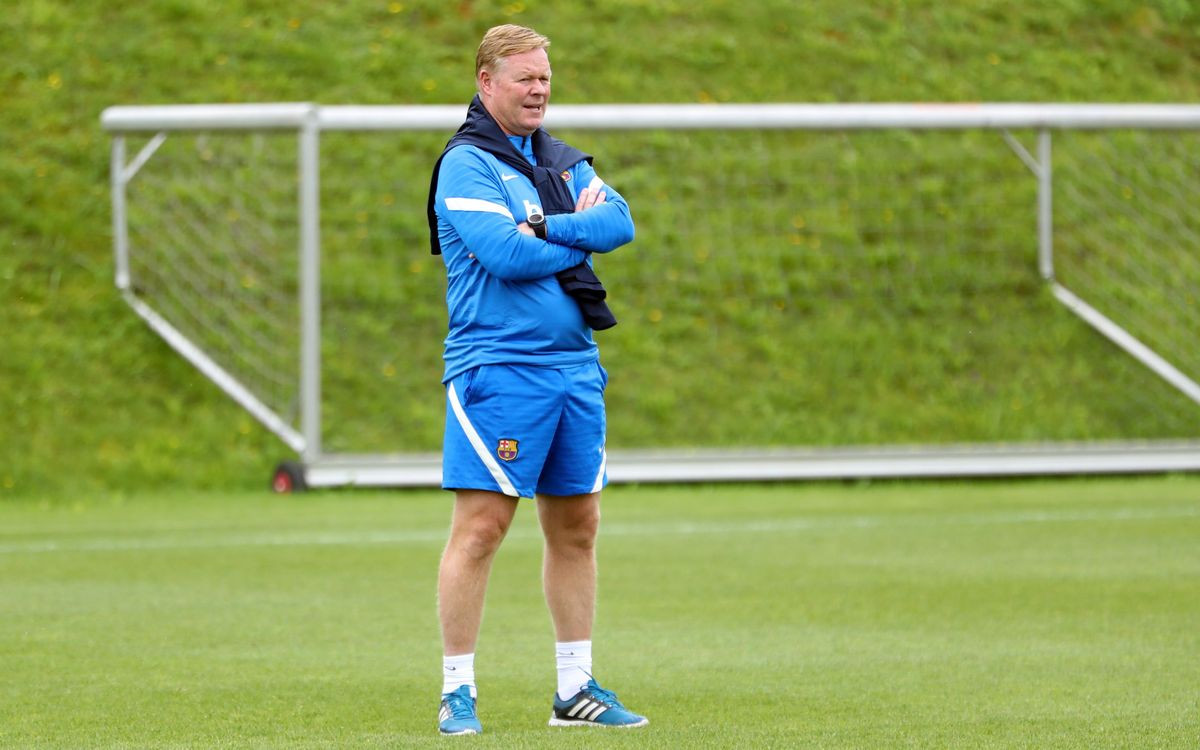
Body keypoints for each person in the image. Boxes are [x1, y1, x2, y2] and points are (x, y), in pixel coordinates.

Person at [425, 24, 646, 736]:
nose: (540, 90)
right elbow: (502, 256)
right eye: (525, 79)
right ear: (487, 82)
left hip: (575, 372)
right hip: (498, 370)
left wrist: (541, 226)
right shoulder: (464, 165)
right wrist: (565, 228)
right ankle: (457, 690)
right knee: (482, 528)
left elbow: (619, 224)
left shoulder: (561, 159)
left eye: (545, 78)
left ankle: (574, 690)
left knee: (577, 526)